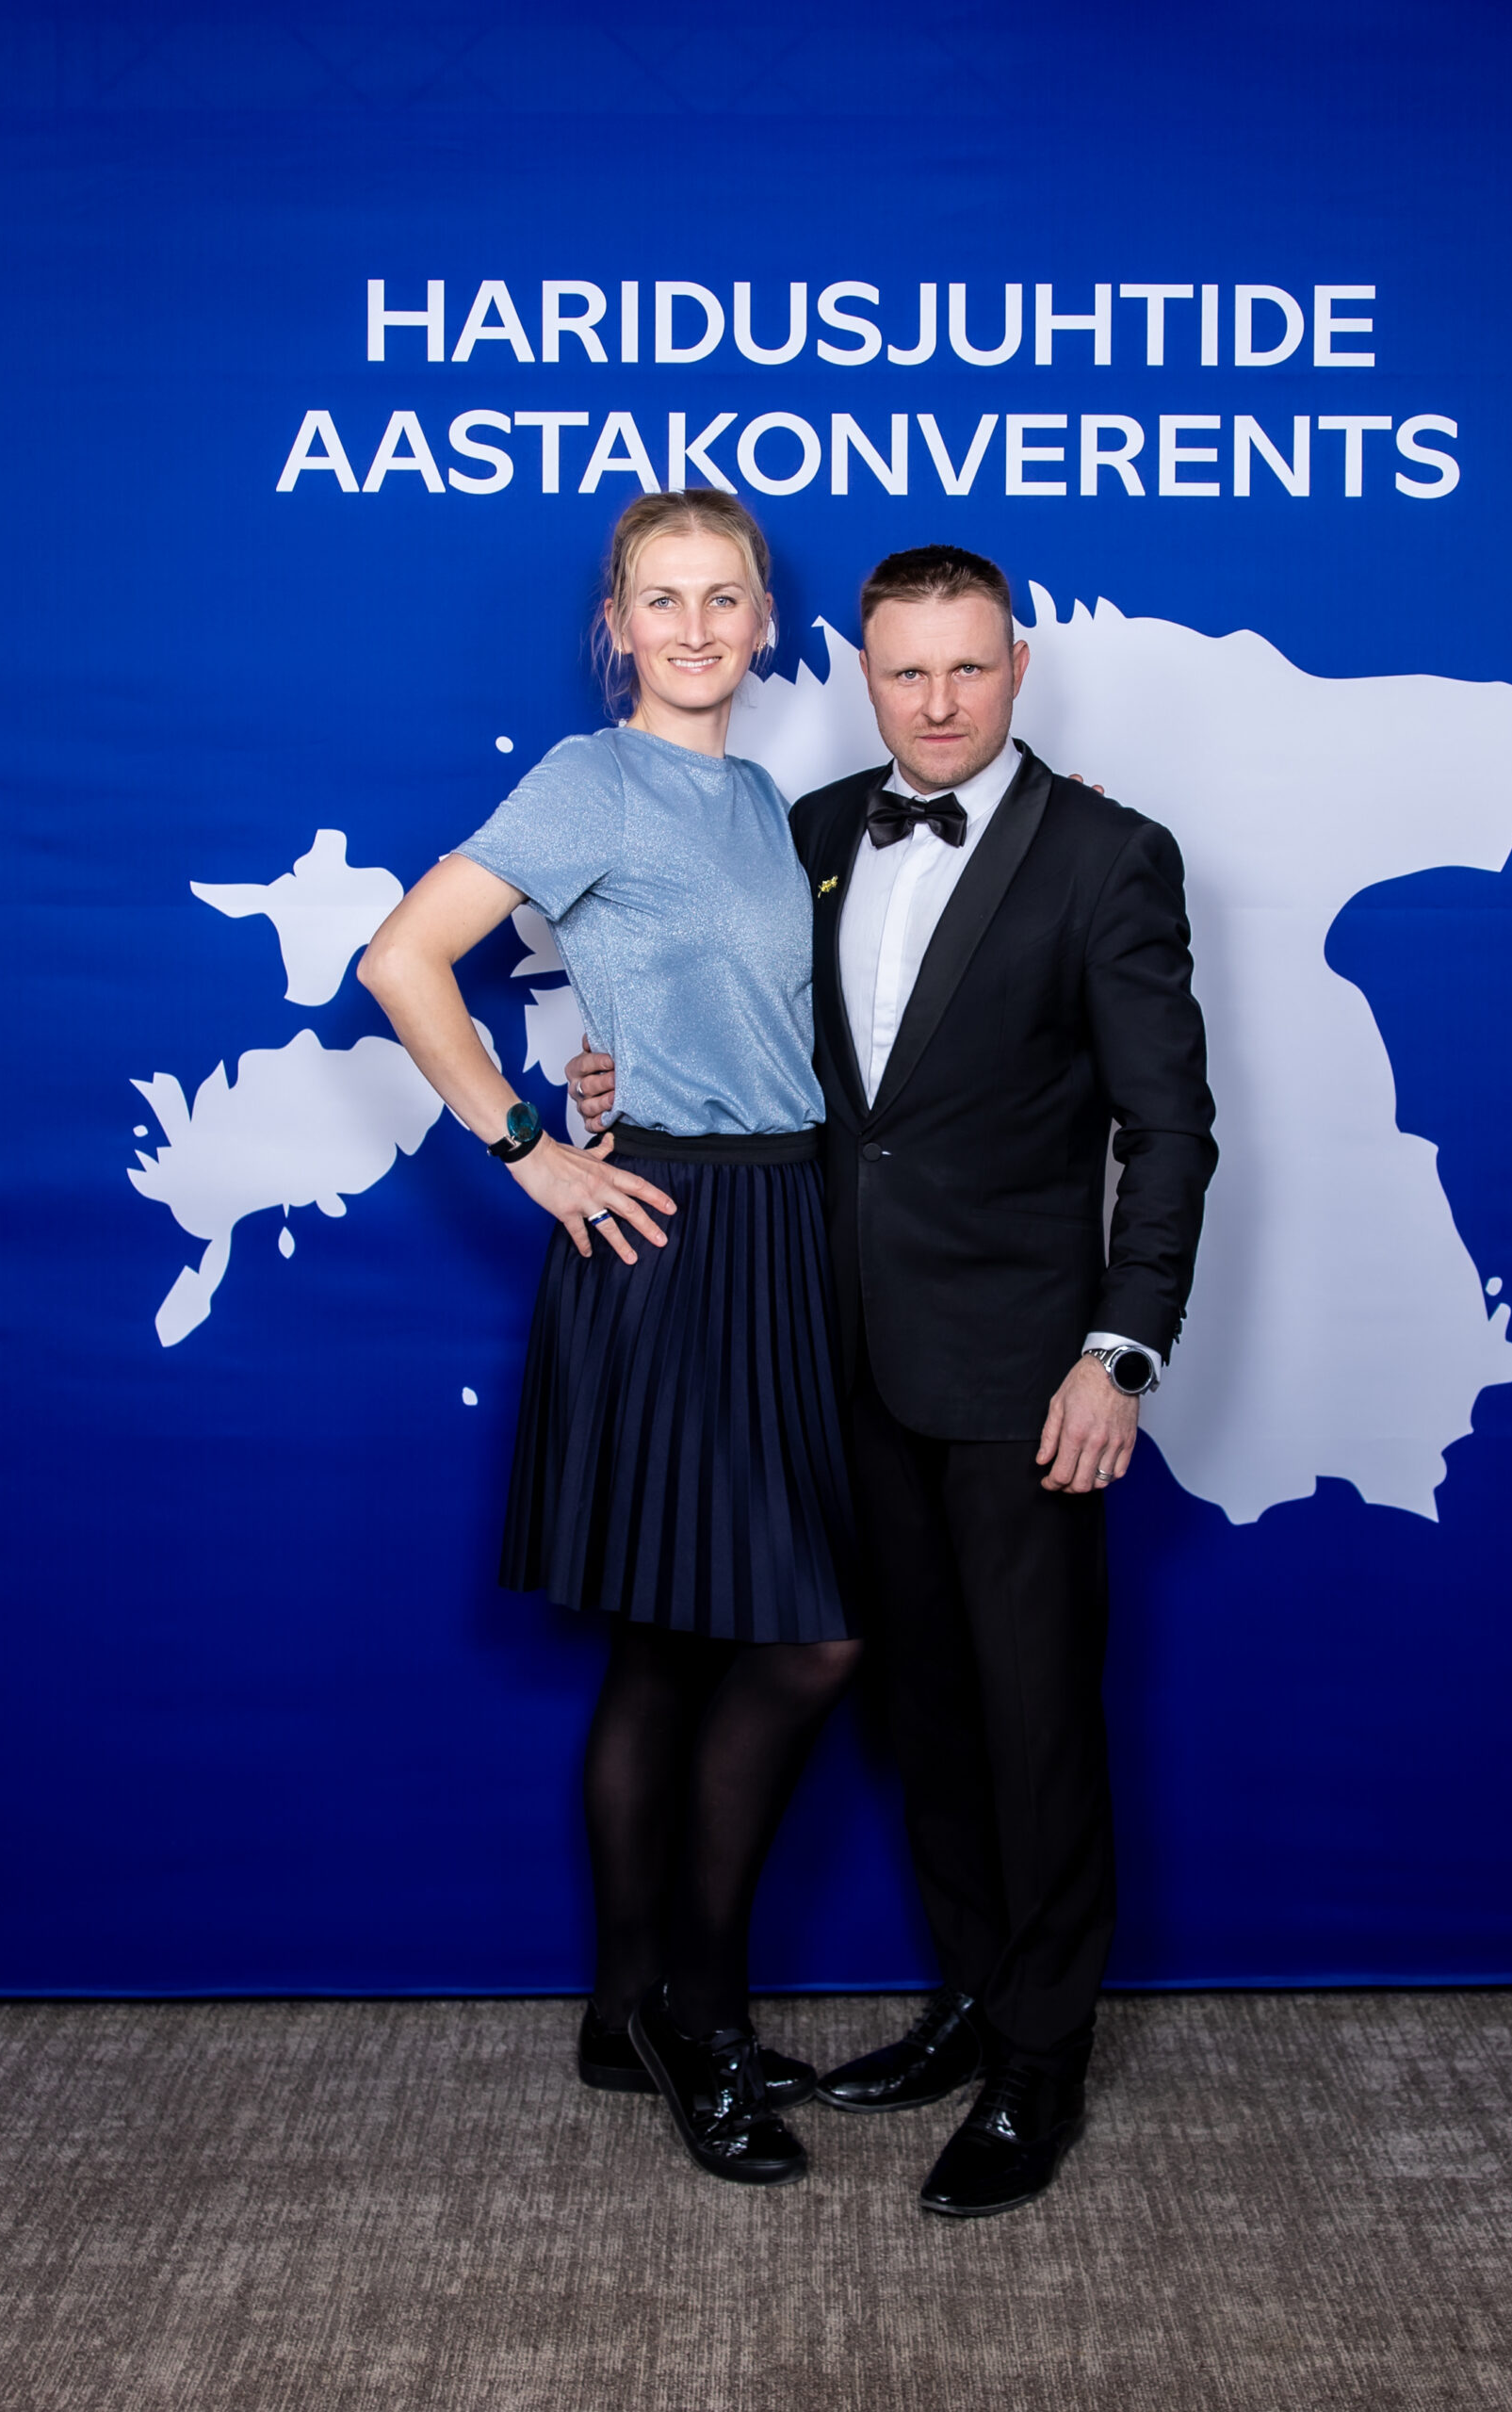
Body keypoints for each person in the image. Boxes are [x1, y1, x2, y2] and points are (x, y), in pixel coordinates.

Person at [571, 543, 1215, 2217]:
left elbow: (1169, 1132)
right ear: (864, 671)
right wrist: (607, 1083)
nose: (937, 704)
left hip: (1028, 1373)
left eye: (968, 669)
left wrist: (1120, 1353)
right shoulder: (811, 833)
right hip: (830, 1350)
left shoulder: (1109, 854)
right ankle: (976, 2000)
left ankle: (1041, 2066)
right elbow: (739, 1035)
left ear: (1019, 668)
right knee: (920, 1707)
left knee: (1037, 1719)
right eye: (906, 671)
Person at [359, 491, 862, 2191]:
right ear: (618, 626)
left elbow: (738, 1015)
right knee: (806, 1644)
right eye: (665, 599)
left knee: (673, 1653)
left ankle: (618, 2009)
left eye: (727, 597)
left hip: (784, 1226)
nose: (698, 628)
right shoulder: (594, 778)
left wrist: (614, 1062)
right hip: (669, 1235)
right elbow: (402, 958)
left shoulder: (759, 800)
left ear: (767, 620)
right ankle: (700, 2022)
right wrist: (530, 1145)